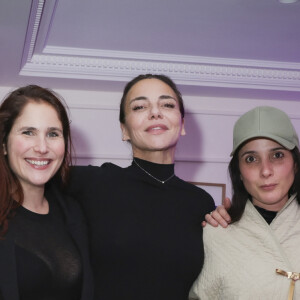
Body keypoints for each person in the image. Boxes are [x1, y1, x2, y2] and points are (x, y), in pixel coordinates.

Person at [69, 74, 215, 300]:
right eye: (139, 107)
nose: (155, 112)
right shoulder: (90, 183)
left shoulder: (200, 202)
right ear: (124, 130)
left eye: (167, 104)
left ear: (182, 124)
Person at [189, 106, 300, 300]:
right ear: (239, 173)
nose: (266, 171)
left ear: (295, 163)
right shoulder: (216, 235)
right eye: (251, 159)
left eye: (277, 155)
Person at [0, 85, 93, 300]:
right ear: (4, 144)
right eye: (28, 132)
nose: (42, 147)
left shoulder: (72, 212)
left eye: (52, 134)